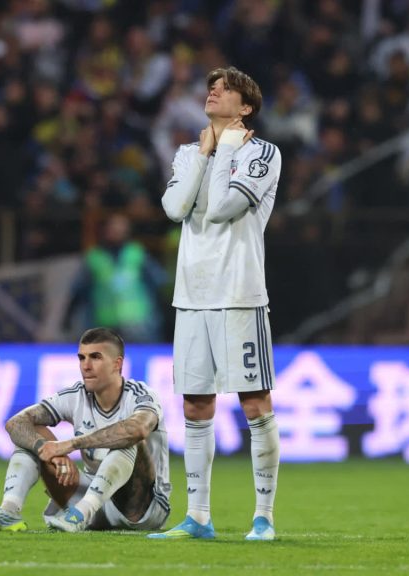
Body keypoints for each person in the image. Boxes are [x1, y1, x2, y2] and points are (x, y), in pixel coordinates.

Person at [151, 66, 282, 541]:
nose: (213, 91)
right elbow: (174, 208)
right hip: (192, 296)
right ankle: (198, 517)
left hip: (239, 294)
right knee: (195, 404)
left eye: (225, 89)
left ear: (245, 107)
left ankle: (263, 517)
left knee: (254, 402)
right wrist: (206, 153)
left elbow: (226, 207)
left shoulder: (262, 153)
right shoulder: (189, 153)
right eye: (212, 86)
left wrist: (224, 149)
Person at [0, 327, 171, 533]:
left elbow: (137, 429)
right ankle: (9, 511)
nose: (86, 366)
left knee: (128, 438)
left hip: (142, 509)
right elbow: (16, 423)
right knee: (30, 437)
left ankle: (80, 514)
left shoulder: (140, 395)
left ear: (117, 364)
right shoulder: (76, 395)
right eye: (82, 358)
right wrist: (46, 449)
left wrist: (70, 445)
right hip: (94, 500)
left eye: (95, 357)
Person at [65, 213, 168, 343]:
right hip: (104, 324)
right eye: (113, 228)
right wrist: (68, 317)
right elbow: (79, 290)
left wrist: (165, 317)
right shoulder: (94, 257)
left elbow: (159, 285)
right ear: (105, 230)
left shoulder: (137, 253)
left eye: (121, 228)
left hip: (139, 324)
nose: (117, 232)